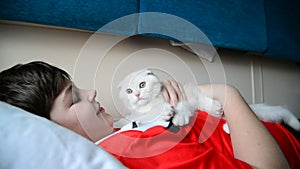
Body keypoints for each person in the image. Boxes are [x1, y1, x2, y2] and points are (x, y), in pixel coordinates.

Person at [0, 61, 298, 169]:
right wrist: (225, 92)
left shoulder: (125, 131)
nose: (91, 93)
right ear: (51, 133)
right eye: (73, 98)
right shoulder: (132, 149)